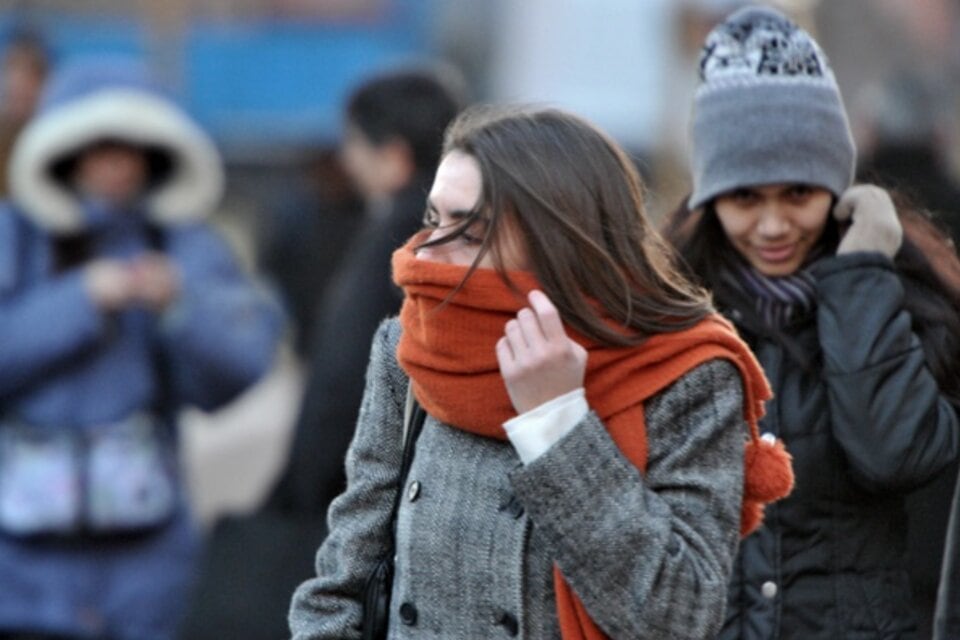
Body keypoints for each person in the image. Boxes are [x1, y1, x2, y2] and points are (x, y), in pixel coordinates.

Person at [288, 105, 794, 638]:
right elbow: (345, 578)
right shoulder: (411, 347)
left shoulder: (685, 374)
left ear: (558, 240)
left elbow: (679, 614)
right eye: (433, 219)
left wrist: (558, 424)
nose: (427, 256)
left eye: (470, 231)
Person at [662, 7, 960, 638]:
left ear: (837, 187)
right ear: (710, 198)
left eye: (798, 194)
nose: (772, 227)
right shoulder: (666, 317)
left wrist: (860, 280)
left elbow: (896, 455)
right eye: (746, 198)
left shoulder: (910, 302)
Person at [0, 58, 284, 639]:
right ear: (63, 151)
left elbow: (242, 367)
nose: (116, 165)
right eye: (98, 147)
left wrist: (179, 306)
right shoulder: (14, 236)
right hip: (19, 571)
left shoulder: (186, 246)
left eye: (131, 148)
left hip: (149, 570)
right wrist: (82, 299)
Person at [267, 66, 466, 518]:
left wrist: (301, 493)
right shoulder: (466, 238)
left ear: (393, 157)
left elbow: (341, 381)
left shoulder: (399, 242)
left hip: (365, 502)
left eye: (353, 143)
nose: (347, 159)